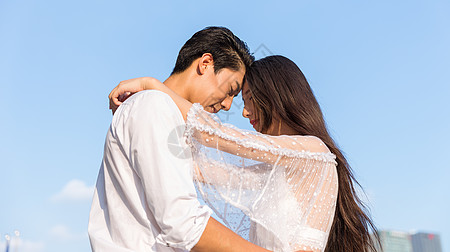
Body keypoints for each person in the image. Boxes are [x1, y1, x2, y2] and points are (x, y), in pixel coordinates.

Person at [109, 55, 380, 252]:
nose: (245, 112)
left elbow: (218, 135)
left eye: (249, 98)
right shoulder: (274, 172)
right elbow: (203, 170)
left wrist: (153, 85)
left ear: (275, 97)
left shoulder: (314, 152)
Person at [88, 26, 273, 252]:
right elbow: (182, 222)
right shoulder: (154, 105)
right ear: (205, 63)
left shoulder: (166, 115)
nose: (227, 105)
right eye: (230, 90)